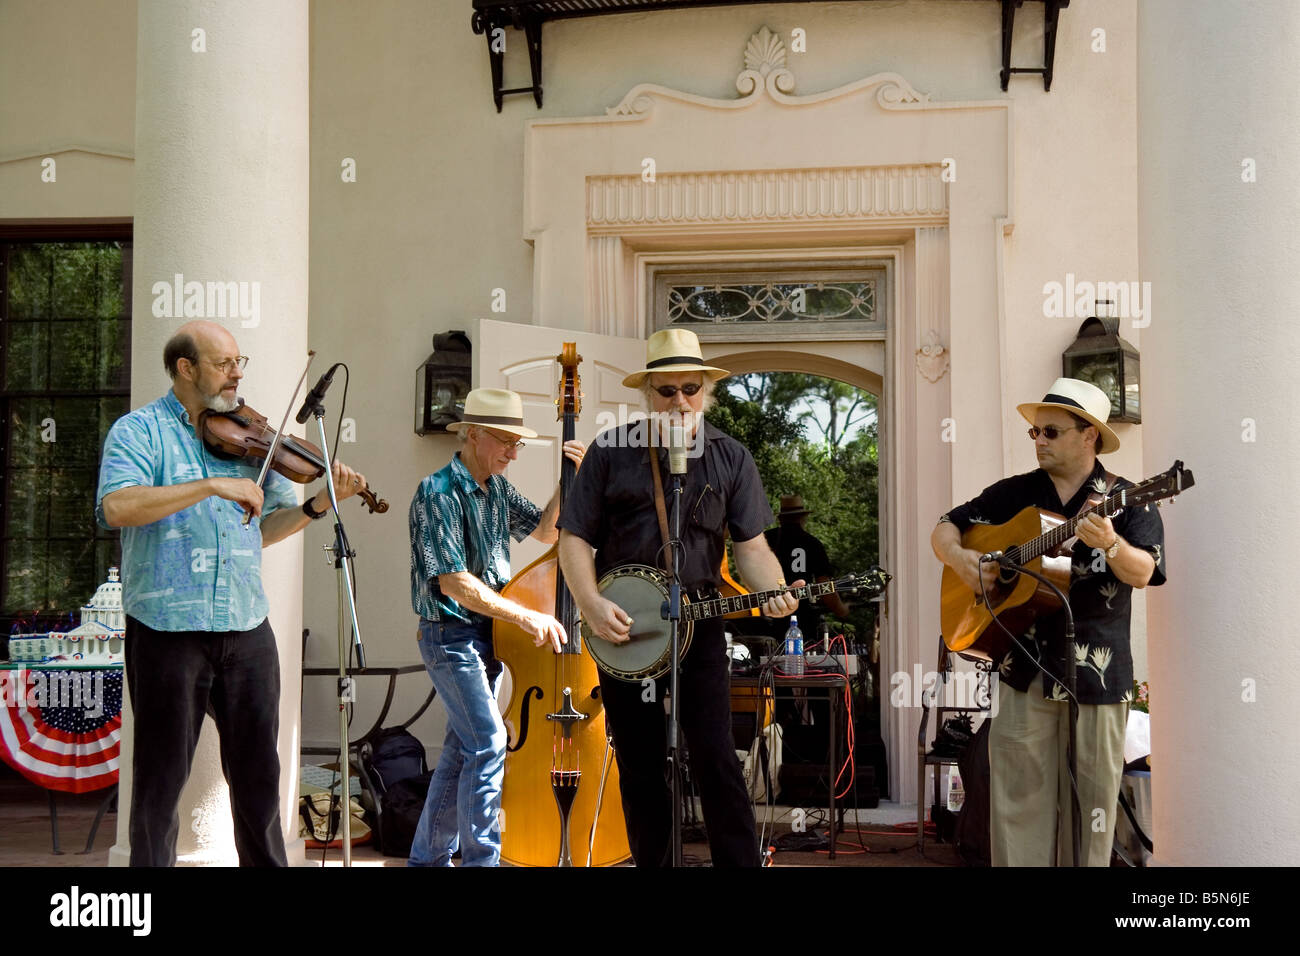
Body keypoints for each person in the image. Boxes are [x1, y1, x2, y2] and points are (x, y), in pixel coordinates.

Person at [96, 319, 369, 867]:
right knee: (159, 785)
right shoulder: (138, 431)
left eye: (240, 362)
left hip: (246, 629)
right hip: (167, 632)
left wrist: (319, 505)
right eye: (224, 363)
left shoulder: (252, 440)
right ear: (185, 368)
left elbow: (265, 527)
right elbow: (118, 506)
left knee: (260, 784)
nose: (237, 372)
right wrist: (211, 484)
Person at [557, 328, 799, 867]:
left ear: (706, 390)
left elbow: (752, 548)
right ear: (648, 393)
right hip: (622, 628)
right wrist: (591, 605)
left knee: (715, 755)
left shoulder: (730, 457)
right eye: (666, 390)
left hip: (700, 622)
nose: (680, 400)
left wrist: (776, 592)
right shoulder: (609, 452)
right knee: (641, 763)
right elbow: (573, 538)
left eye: (690, 388)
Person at [929, 377, 1166, 866]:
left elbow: (1144, 572)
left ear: (1088, 435)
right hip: (1024, 671)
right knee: (1017, 809)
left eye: (1051, 432)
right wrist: (961, 561)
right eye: (1034, 433)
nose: (1039, 441)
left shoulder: (1129, 498)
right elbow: (945, 526)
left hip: (1096, 677)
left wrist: (1111, 544)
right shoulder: (1014, 494)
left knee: (1092, 811)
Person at [407, 387, 584, 867]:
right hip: (450, 636)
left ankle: (426, 860)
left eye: (517, 443)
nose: (512, 451)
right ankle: (482, 860)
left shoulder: (498, 490)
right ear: (472, 434)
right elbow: (455, 584)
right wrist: (526, 615)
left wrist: (568, 483)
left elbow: (545, 531)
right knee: (488, 744)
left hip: (486, 638)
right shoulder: (437, 490)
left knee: (462, 753)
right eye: (504, 440)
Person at [763, 494, 851, 642]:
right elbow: (824, 587)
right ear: (802, 518)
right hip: (802, 617)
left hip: (769, 611)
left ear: (780, 518)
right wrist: (842, 609)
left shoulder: (766, 539)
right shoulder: (812, 543)